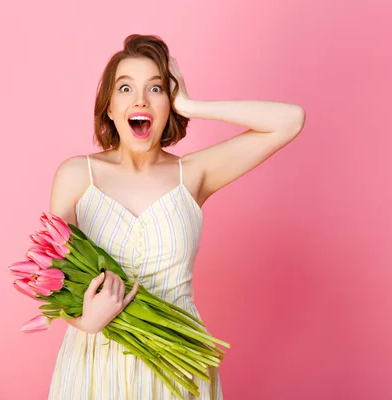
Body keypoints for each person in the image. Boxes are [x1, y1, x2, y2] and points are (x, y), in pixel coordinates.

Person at [47, 34, 306, 400]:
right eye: (125, 88)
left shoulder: (194, 174)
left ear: (168, 105)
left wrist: (190, 103)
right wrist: (85, 322)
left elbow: (290, 120)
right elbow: (54, 278)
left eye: (155, 89)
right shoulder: (76, 174)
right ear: (108, 106)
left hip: (178, 371)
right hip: (95, 361)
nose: (140, 99)